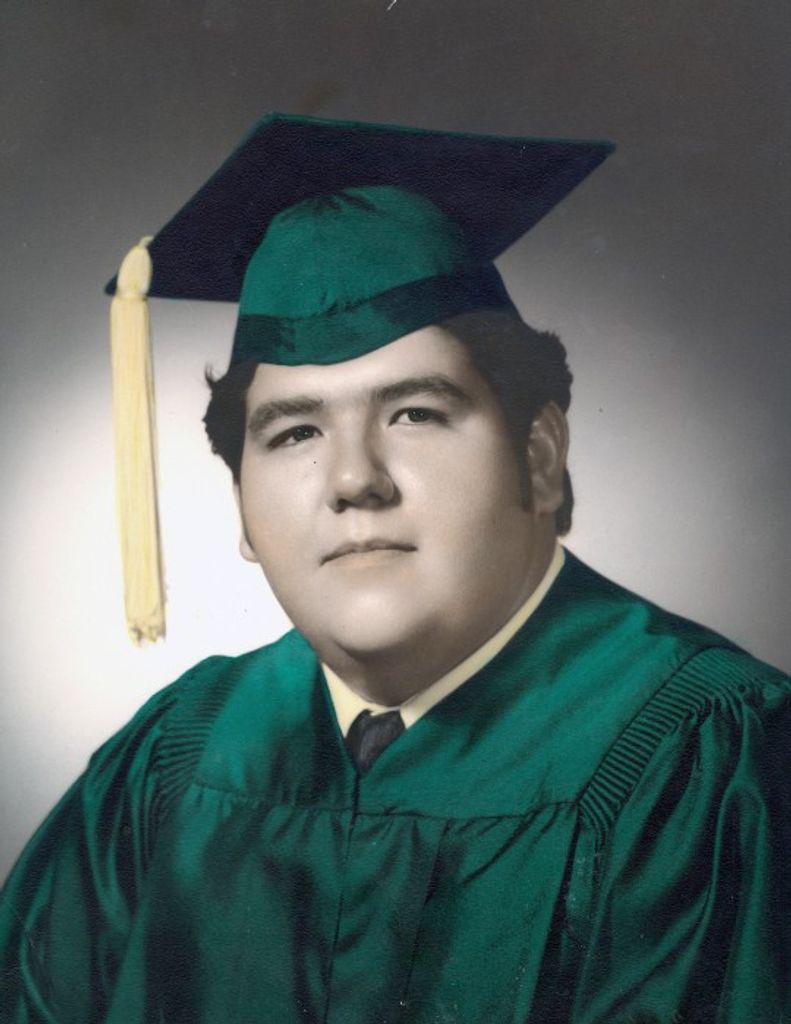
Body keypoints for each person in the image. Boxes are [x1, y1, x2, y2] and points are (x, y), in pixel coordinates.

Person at [0, 114, 788, 1024]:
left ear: (538, 457)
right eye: (294, 432)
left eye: (414, 413)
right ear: (241, 507)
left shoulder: (708, 757)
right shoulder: (177, 755)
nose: (353, 480)